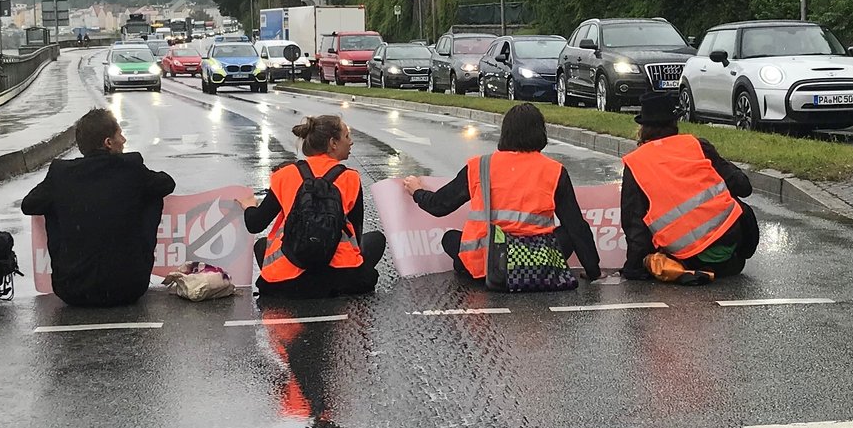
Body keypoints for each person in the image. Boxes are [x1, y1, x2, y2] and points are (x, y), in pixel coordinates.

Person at [397, 103, 601, 285]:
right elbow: (576, 226)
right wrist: (593, 271)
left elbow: (440, 206)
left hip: (489, 261)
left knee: (450, 238)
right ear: (541, 133)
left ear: (505, 133)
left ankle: (475, 270)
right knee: (567, 232)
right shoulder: (554, 170)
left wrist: (417, 191)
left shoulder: (480, 166)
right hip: (538, 261)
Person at [21, 108, 177, 307]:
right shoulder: (131, 168)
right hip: (129, 287)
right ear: (108, 143)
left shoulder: (61, 174)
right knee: (152, 195)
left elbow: (29, 205)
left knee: (51, 204)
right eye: (120, 134)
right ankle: (131, 261)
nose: (124, 140)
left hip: (72, 289)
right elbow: (167, 184)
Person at [619, 93, 759, 281]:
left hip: (688, 258)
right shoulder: (697, 145)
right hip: (732, 254)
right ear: (674, 124)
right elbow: (743, 187)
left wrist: (634, 268)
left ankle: (690, 271)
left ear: (642, 129)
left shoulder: (636, 163)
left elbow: (634, 224)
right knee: (741, 207)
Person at [243, 114, 385, 297]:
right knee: (376, 239)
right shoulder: (350, 178)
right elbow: (356, 236)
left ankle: (285, 272)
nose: (351, 142)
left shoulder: (284, 175)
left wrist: (249, 206)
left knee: (262, 244)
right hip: (340, 280)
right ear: (333, 143)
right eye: (347, 136)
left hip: (286, 284)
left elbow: (255, 224)